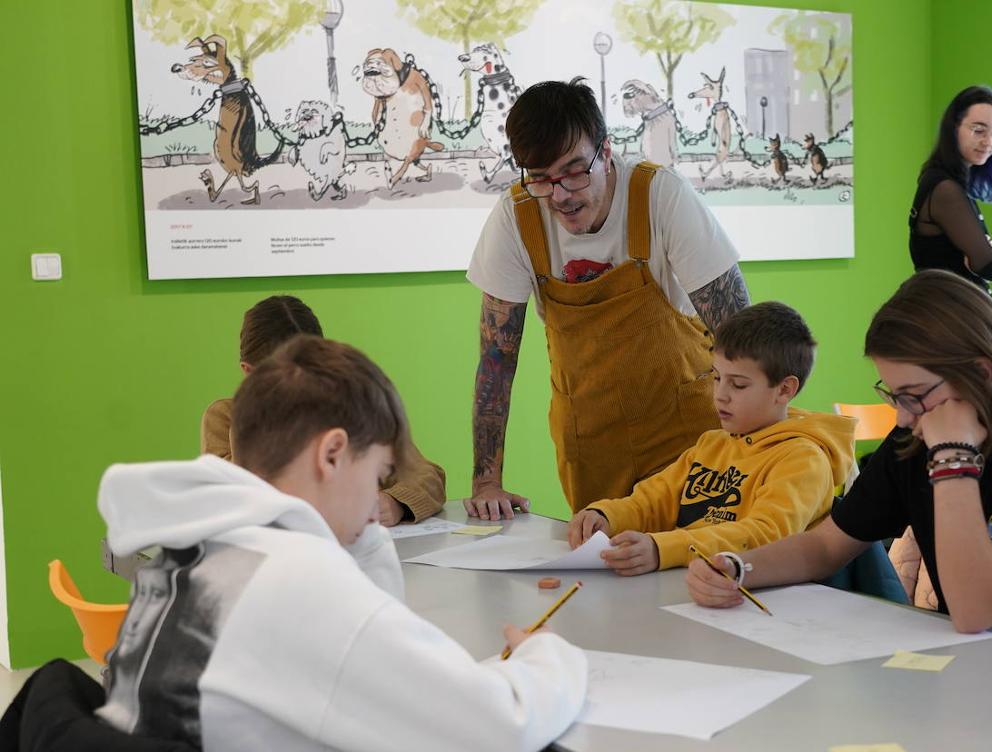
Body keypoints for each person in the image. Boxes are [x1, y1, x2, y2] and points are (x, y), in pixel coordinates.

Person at [97, 336, 587, 752]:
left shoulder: (198, 552)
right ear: (332, 454)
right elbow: (501, 725)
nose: (376, 502)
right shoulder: (294, 581)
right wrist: (549, 654)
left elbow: (371, 647)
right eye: (377, 473)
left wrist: (356, 533)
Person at [687, 271, 992, 654]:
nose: (904, 417)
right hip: (971, 674)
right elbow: (825, 547)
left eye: (915, 395)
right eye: (895, 396)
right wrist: (740, 566)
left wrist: (953, 459)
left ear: (982, 375)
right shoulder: (914, 440)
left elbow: (976, 609)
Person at [465, 78, 749, 520]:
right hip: (591, 447)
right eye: (541, 178)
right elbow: (496, 361)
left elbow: (740, 334)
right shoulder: (516, 218)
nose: (560, 195)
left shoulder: (660, 196)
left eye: (575, 171)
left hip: (692, 441)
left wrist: (761, 451)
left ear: (607, 150)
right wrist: (486, 482)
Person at [565, 302, 855, 575]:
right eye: (716, 378)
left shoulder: (804, 459)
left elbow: (763, 537)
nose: (720, 394)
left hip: (763, 601)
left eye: (738, 385)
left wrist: (663, 549)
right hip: (692, 581)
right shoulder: (712, 444)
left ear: (784, 390)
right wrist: (605, 515)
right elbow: (653, 500)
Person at [201, 295, 446, 526]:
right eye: (281, 378)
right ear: (249, 372)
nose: (298, 390)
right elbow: (228, 499)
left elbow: (427, 475)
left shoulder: (350, 410)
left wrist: (395, 503)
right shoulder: (225, 418)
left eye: (310, 373)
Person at [910, 85, 992, 293]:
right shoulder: (945, 188)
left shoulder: (949, 183)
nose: (988, 142)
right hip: (947, 312)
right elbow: (990, 267)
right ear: (953, 128)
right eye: (978, 130)